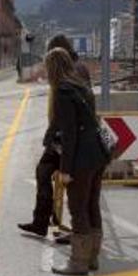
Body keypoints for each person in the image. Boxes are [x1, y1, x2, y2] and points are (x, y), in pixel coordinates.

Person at [18, 35, 90, 239]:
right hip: (60, 138)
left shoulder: (71, 78)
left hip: (70, 141)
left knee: (77, 193)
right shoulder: (72, 73)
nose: (46, 71)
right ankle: (42, 221)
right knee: (43, 172)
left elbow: (71, 124)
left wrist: (65, 162)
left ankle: (76, 236)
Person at [46, 47, 108, 276]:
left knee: (77, 208)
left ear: (52, 68)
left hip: (81, 157)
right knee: (92, 204)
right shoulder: (81, 87)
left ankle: (78, 263)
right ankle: (92, 258)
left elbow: (70, 134)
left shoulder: (62, 91)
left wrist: (65, 170)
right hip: (98, 154)